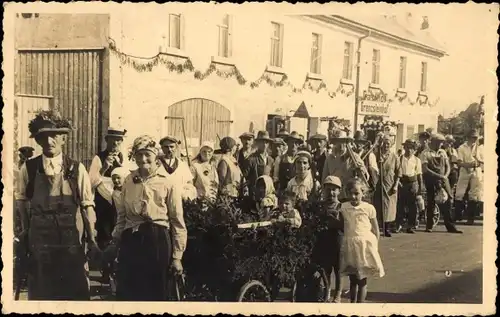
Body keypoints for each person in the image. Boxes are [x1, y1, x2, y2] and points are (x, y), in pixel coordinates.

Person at [16, 110, 99, 300]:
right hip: (40, 239)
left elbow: (87, 205)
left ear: (63, 139)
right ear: (37, 141)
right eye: (43, 137)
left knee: (73, 290)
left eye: (54, 136)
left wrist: (91, 237)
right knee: (42, 290)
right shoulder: (28, 168)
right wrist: (26, 230)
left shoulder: (77, 169)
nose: (49, 141)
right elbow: (22, 201)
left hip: (70, 239)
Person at [105, 135, 186, 301]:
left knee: (155, 291)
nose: (143, 159)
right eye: (139, 154)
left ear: (155, 155)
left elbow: (177, 222)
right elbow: (122, 216)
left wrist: (177, 257)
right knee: (128, 290)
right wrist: (114, 242)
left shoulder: (168, 182)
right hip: (131, 240)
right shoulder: (128, 180)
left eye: (147, 154)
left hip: (157, 239)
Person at [88, 127, 128, 273]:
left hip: (121, 198)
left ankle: (119, 268)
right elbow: (91, 181)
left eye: (118, 140)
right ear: (106, 141)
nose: (116, 143)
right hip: (104, 199)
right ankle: (106, 269)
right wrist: (104, 169)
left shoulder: (126, 158)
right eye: (112, 140)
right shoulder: (99, 157)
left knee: (121, 230)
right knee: (106, 232)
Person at [340, 178, 385, 303]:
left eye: (357, 193)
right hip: (350, 245)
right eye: (350, 194)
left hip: (364, 246)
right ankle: (352, 304)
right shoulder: (343, 207)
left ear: (363, 193)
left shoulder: (368, 208)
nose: (354, 197)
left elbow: (376, 230)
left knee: (362, 279)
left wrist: (374, 246)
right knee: (352, 278)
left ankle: (360, 305)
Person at [420, 133, 462, 233]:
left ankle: (450, 226)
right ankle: (429, 226)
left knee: (448, 202)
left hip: (443, 179)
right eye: (438, 142)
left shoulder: (442, 152)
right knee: (431, 202)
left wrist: (445, 176)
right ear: (433, 142)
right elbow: (425, 169)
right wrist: (439, 176)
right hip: (431, 180)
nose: (440, 144)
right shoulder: (425, 153)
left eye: (441, 142)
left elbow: (447, 166)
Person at [312, 176, 344, 303]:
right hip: (324, 241)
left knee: (339, 270)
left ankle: (338, 293)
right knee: (326, 269)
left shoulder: (341, 207)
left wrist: (337, 221)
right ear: (323, 190)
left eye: (334, 190)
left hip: (338, 241)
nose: (331, 193)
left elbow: (345, 225)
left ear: (339, 191)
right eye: (328, 189)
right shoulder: (320, 206)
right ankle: (327, 291)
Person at [322, 129, 368, 202]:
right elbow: (324, 178)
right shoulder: (329, 158)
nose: (341, 144)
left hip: (349, 196)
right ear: (334, 143)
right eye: (338, 141)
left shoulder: (354, 157)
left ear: (347, 142)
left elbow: (365, 177)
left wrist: (360, 171)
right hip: (334, 196)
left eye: (343, 141)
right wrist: (324, 194)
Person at [373, 135, 401, 237]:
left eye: (388, 144)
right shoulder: (377, 155)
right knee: (379, 205)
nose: (386, 146)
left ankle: (387, 228)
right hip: (379, 184)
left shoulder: (394, 157)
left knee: (389, 207)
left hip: (390, 185)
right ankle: (378, 227)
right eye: (384, 143)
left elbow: (399, 173)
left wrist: (396, 185)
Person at [455, 129, 483, 225]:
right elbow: (459, 162)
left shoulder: (479, 148)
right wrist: (468, 165)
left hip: (476, 171)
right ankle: (457, 215)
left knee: (474, 194)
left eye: (476, 137)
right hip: (465, 170)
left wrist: (478, 162)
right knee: (460, 192)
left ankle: (470, 218)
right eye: (473, 137)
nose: (474, 139)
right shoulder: (462, 148)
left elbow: (483, 160)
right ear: (468, 137)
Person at [395, 139, 423, 234]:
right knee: (400, 205)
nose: (409, 150)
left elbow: (419, 174)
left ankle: (410, 225)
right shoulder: (400, 158)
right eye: (407, 147)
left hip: (412, 182)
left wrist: (420, 187)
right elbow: (397, 172)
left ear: (414, 149)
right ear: (404, 148)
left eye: (411, 148)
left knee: (412, 205)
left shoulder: (417, 160)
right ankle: (398, 224)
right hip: (403, 182)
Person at [159, 136, 197, 200]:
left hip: (178, 199)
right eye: (166, 147)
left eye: (171, 147)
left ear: (176, 147)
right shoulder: (157, 164)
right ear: (162, 148)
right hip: (161, 199)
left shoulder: (182, 164)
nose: (169, 149)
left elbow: (189, 182)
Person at [244, 131, 275, 197]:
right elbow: (245, 177)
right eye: (262, 142)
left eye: (266, 142)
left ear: (268, 144)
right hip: (254, 194)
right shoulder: (251, 159)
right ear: (257, 143)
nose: (264, 144)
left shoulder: (271, 160)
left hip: (267, 195)